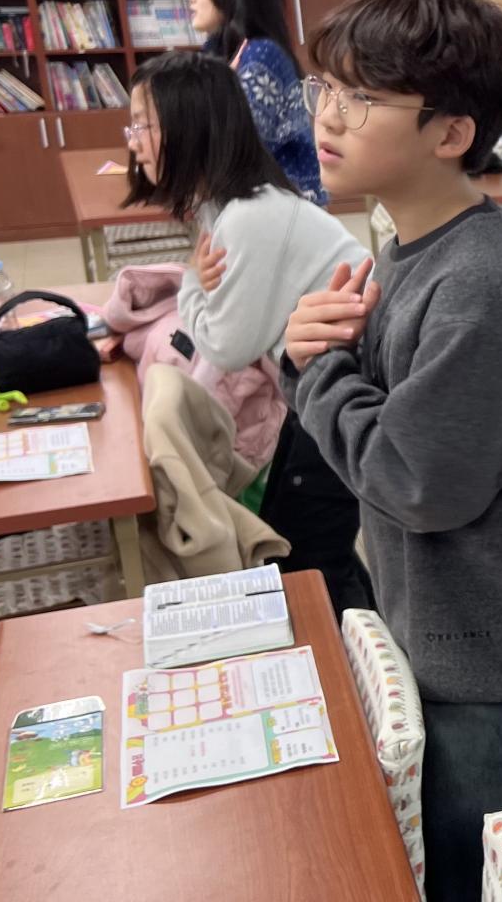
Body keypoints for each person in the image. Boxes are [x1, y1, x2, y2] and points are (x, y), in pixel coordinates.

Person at [282, 0, 502, 902]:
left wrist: (315, 370)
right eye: (326, 88)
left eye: (362, 97)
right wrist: (316, 354)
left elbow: (414, 478)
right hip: (447, 635)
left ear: (452, 133)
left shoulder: (478, 288)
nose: (328, 116)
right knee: (460, 870)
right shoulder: (409, 247)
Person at [121, 51, 374, 613]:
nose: (134, 143)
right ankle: (358, 647)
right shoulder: (228, 206)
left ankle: (358, 658)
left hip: (344, 390)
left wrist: (192, 281)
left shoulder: (248, 217)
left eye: (143, 125)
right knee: (303, 541)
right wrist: (199, 288)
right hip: (317, 383)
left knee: (310, 555)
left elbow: (225, 345)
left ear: (189, 125)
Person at [189, 0, 326, 206]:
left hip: (283, 199)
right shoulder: (215, 49)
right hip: (246, 192)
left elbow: (243, 144)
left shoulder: (262, 53)